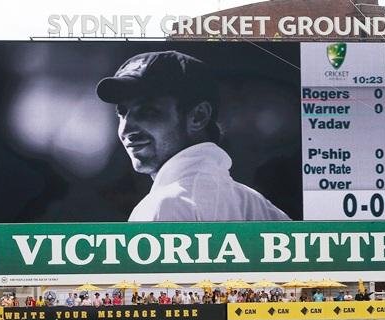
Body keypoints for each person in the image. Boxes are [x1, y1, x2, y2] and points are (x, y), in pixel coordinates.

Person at [96, 50, 290, 222]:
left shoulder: (163, 206)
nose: (126, 129)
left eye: (147, 111)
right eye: (122, 113)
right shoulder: (263, 209)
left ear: (199, 116)